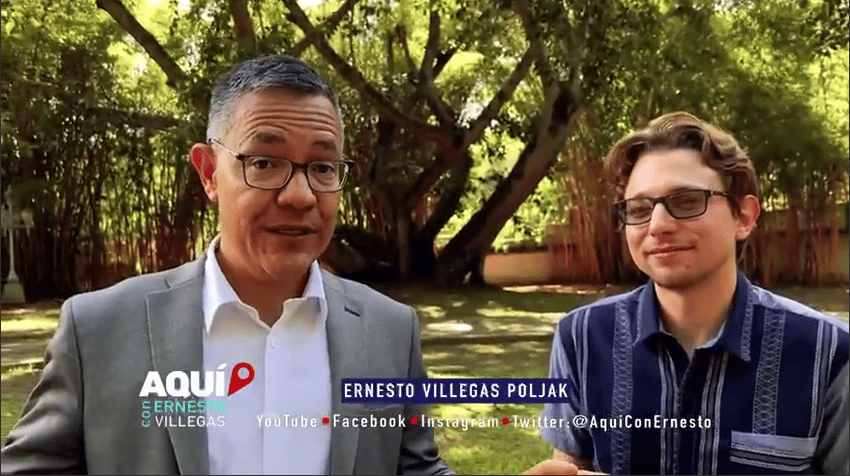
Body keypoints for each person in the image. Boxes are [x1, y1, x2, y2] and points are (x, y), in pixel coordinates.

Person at [1, 55, 454, 475]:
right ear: (208, 172)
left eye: (323, 167)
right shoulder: (99, 330)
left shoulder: (389, 331)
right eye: (263, 162)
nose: (300, 196)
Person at [533, 112, 849, 475]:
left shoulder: (831, 355)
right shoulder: (583, 339)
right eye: (638, 209)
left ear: (743, 217)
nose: (658, 225)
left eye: (686, 201)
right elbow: (571, 465)